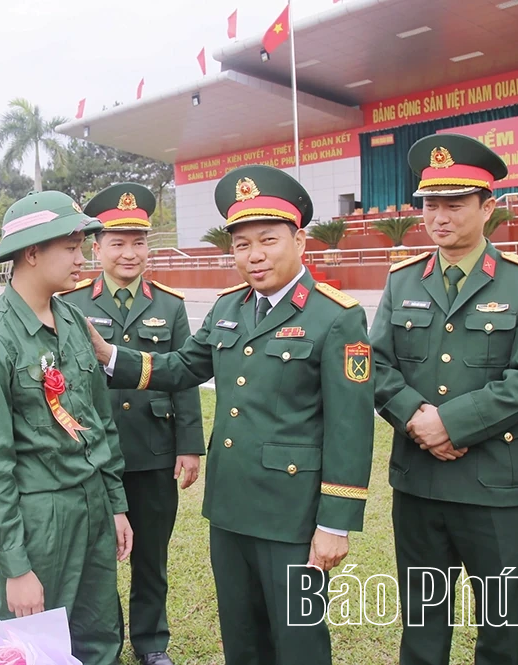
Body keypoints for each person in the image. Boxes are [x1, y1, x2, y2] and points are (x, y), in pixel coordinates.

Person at [89, 164, 374, 665]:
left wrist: (336, 523)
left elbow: (351, 427)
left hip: (293, 514)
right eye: (241, 245)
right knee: (241, 637)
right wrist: (109, 355)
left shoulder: (335, 315)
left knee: (299, 641)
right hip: (230, 507)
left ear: (299, 240)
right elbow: (180, 367)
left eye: (267, 240)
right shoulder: (229, 308)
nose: (254, 255)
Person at [369, 133, 518, 665]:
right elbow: (375, 365)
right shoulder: (403, 279)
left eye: (455, 204)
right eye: (431, 204)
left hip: (492, 482)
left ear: (488, 207)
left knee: (500, 627)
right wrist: (413, 418)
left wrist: (450, 423)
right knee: (422, 622)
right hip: (419, 482)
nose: (441, 217)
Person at [0, 190, 134, 665]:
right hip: (40, 518)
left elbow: (99, 421)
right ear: (31, 253)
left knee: (98, 634)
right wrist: (15, 565)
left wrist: (115, 504)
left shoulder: (72, 321)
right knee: (31, 644)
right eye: (71, 247)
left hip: (92, 502)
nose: (83, 258)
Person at [60, 183, 204, 665]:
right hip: (92, 454)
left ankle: (151, 644)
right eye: (117, 242)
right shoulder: (72, 302)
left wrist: (189, 446)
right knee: (93, 556)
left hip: (154, 449)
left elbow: (184, 377)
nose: (129, 252)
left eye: (138, 241)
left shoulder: (170, 304)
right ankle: (95, 641)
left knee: (150, 558)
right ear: (96, 247)